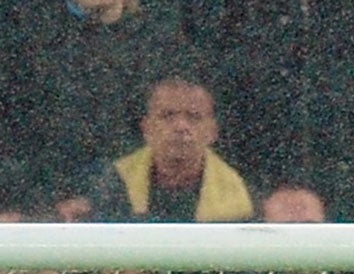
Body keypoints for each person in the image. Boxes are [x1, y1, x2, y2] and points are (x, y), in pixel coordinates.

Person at [85, 76, 255, 223]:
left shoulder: (244, 195)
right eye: (167, 116)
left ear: (212, 131)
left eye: (193, 117)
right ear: (146, 128)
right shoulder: (112, 183)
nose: (181, 126)